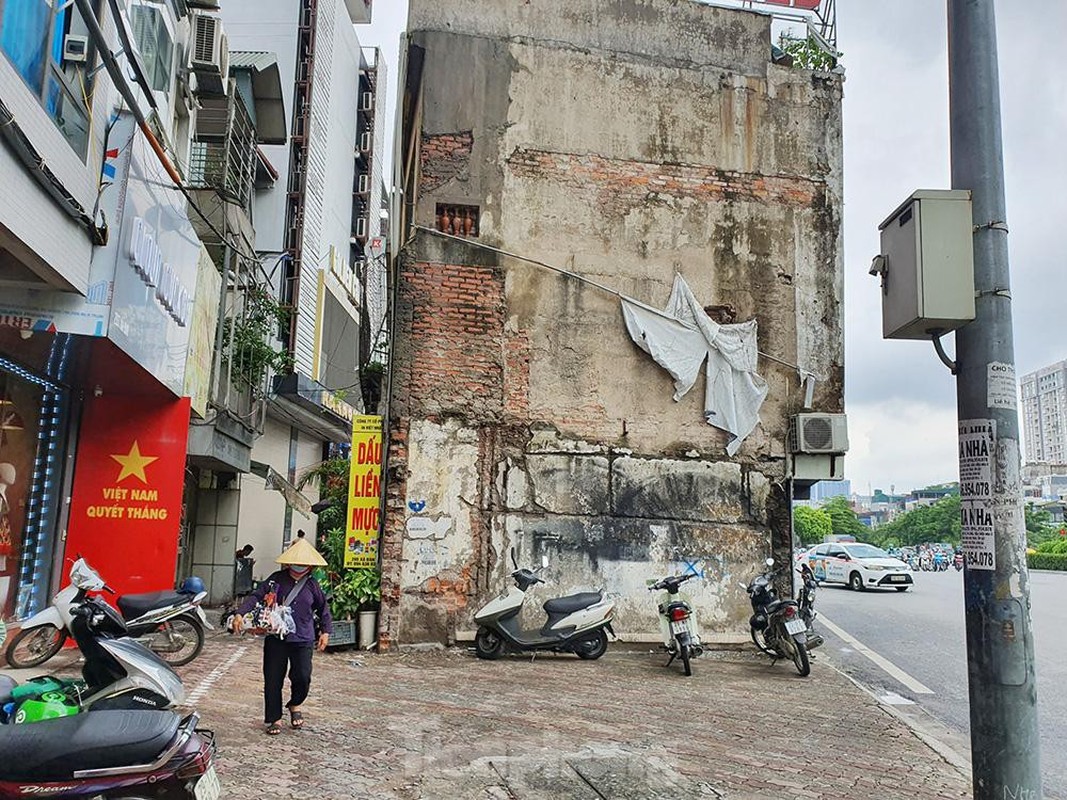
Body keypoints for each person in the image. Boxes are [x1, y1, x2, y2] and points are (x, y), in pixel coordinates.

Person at [232, 537, 332, 735]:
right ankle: (274, 718)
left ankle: (295, 704)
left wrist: (326, 632)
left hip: (303, 637)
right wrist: (239, 613)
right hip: (276, 638)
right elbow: (255, 596)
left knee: (302, 677)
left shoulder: (312, 585)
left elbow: (323, 609)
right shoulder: (275, 579)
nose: (299, 564)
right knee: (273, 678)